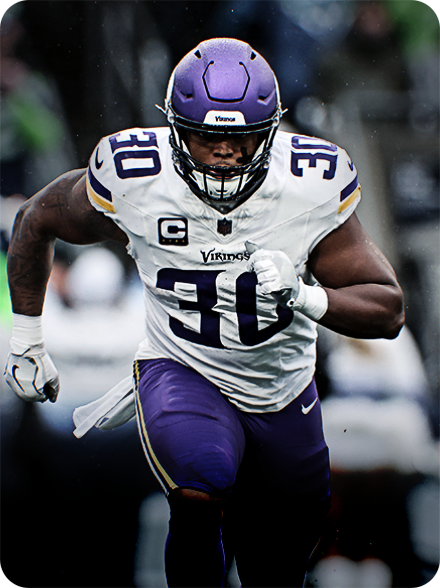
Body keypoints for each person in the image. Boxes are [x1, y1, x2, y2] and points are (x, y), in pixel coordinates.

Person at [4, 38, 405, 588]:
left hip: (282, 385)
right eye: (206, 137)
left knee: (279, 561)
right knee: (199, 482)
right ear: (174, 130)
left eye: (240, 139)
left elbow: (387, 308)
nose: (223, 153)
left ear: (271, 132)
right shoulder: (136, 179)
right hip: (183, 367)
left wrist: (306, 296)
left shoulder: (308, 185)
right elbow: (35, 219)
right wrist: (26, 337)